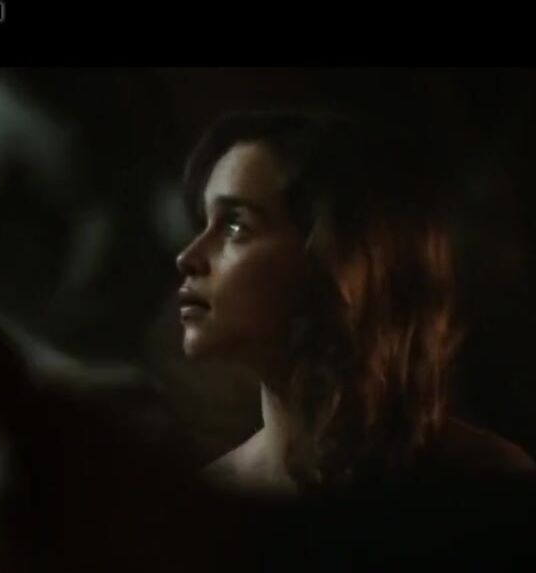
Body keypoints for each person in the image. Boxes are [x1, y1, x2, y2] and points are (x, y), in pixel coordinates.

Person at [174, 110, 535, 496]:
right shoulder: (208, 504)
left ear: (337, 258)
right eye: (204, 224)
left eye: (235, 225)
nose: (187, 257)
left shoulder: (486, 479)